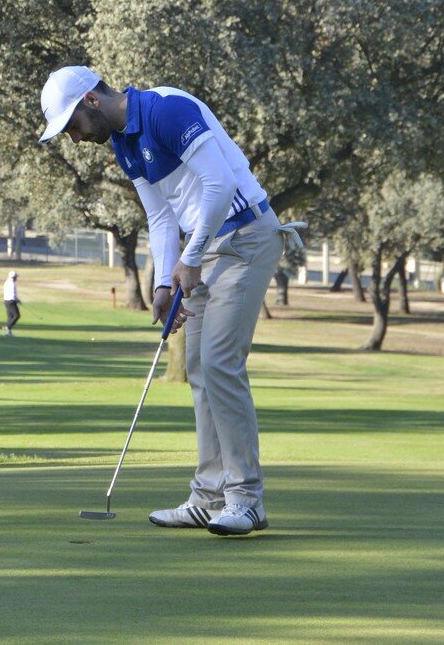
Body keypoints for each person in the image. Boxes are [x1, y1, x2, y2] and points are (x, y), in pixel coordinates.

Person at [40, 65, 290, 537]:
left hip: (247, 238)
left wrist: (190, 258)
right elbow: (160, 217)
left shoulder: (167, 110)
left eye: (72, 125)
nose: (73, 138)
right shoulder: (124, 144)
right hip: (207, 248)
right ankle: (208, 497)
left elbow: (219, 185)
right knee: (197, 367)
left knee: (219, 363)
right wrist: (161, 283)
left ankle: (245, 499)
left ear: (92, 100)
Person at [2, 270, 21, 336]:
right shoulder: (12, 284)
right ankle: (8, 327)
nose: (17, 278)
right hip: (11, 301)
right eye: (16, 277)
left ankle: (8, 332)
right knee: (16, 315)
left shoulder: (7, 282)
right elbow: (12, 294)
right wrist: (17, 300)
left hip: (6, 301)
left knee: (10, 317)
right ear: (14, 277)